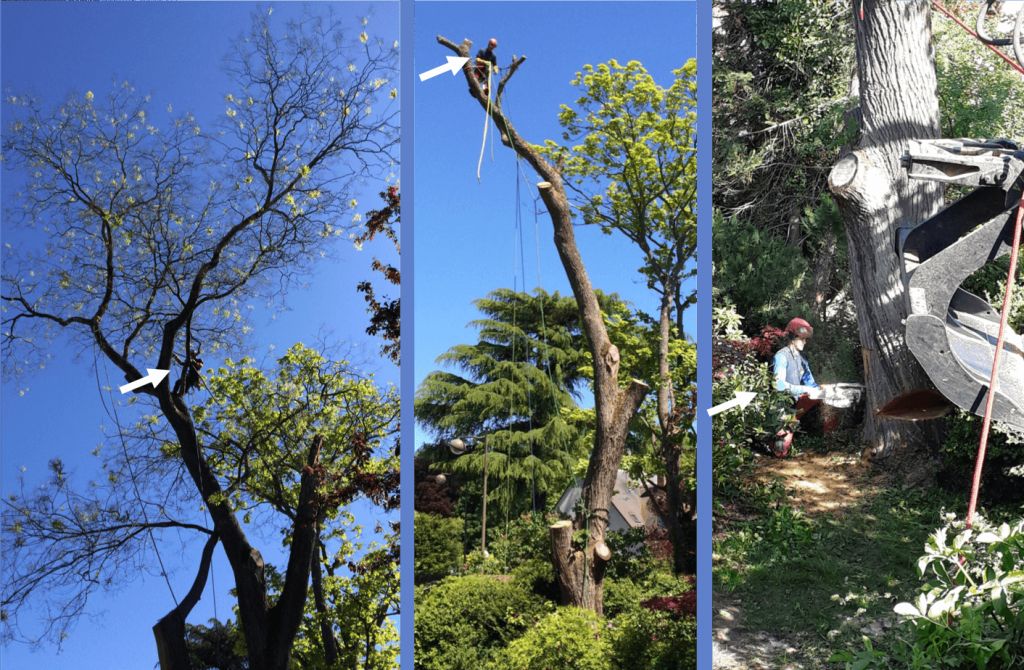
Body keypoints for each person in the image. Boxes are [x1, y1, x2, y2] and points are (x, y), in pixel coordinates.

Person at [769, 317, 821, 457]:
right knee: (781, 445)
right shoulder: (781, 356)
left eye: (806, 339)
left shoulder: (802, 358)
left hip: (794, 404)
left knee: (788, 437)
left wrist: (820, 390)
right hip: (781, 404)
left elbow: (810, 381)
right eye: (802, 338)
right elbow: (779, 385)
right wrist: (805, 389)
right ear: (792, 337)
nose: (805, 341)